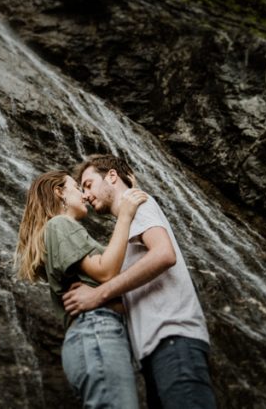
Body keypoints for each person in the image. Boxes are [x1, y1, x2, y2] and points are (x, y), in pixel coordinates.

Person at [62, 154, 216, 409]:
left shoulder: (137, 204)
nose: (86, 195)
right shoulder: (129, 222)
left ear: (112, 176)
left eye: (88, 184)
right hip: (155, 351)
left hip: (174, 340)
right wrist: (97, 299)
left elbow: (164, 254)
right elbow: (136, 291)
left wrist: (98, 294)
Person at [15, 170, 149, 408]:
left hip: (95, 335)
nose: (85, 195)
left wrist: (123, 193)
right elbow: (106, 271)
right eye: (78, 187)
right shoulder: (59, 224)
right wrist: (125, 216)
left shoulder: (59, 230)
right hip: (97, 331)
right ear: (59, 192)